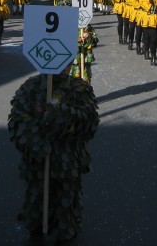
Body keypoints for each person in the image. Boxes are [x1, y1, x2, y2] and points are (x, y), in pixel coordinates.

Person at [7, 69, 99, 245]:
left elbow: (89, 123)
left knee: (67, 196)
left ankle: (66, 231)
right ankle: (37, 225)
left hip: (68, 160)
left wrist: (59, 114)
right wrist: (36, 143)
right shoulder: (31, 87)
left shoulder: (79, 88)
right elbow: (18, 121)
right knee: (38, 194)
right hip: (38, 160)